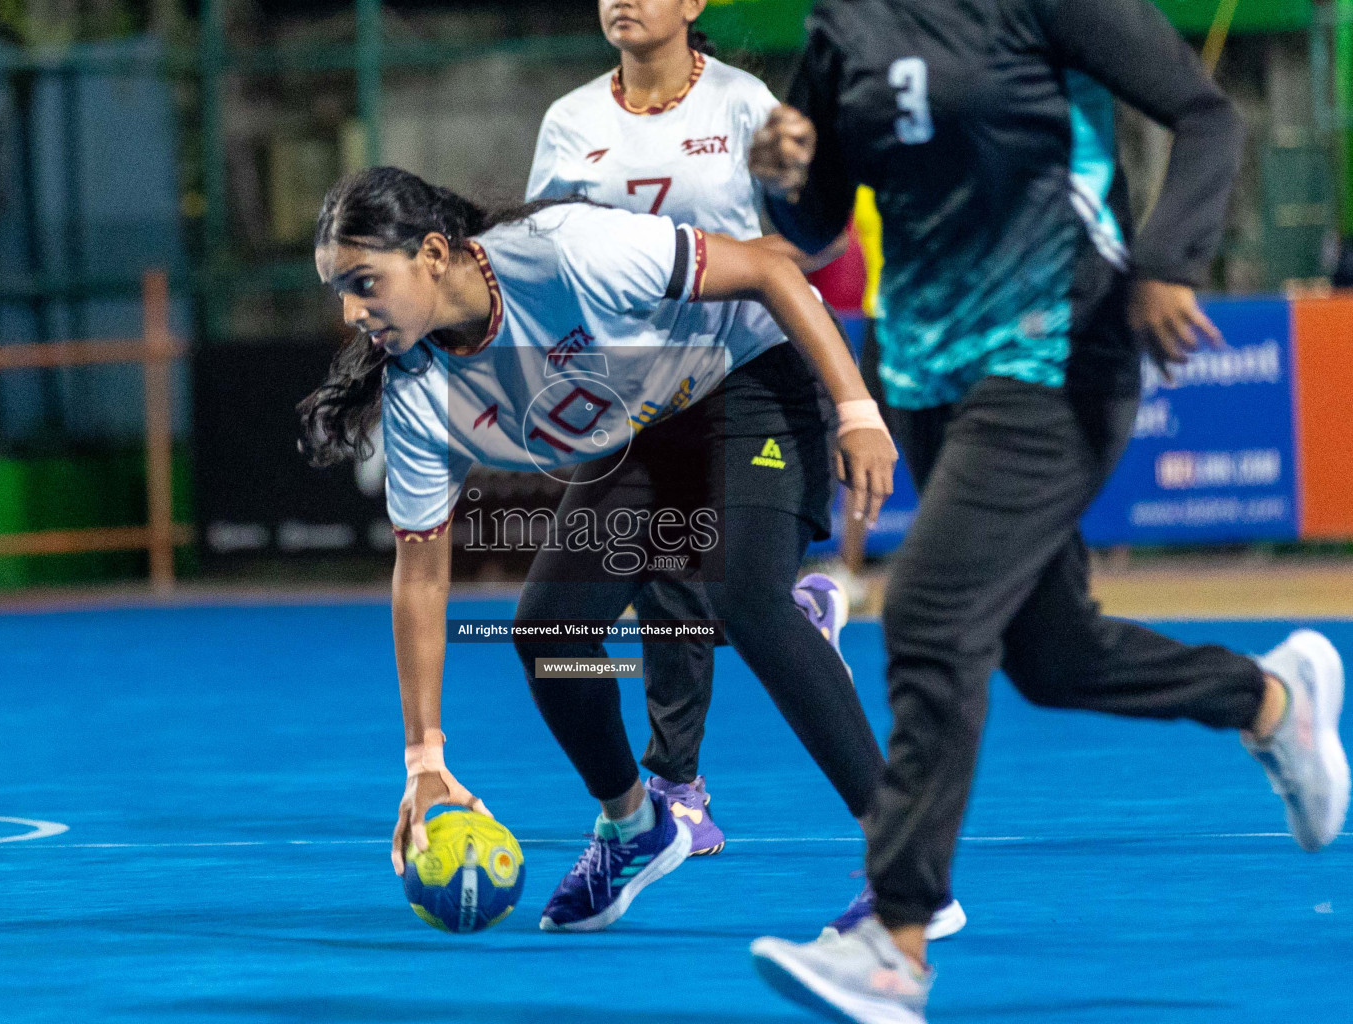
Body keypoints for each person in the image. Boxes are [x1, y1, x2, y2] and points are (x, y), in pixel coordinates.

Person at [743, 1, 1350, 1021]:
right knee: (1051, 653)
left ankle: (894, 943)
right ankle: (1268, 699)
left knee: (932, 618)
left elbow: (1207, 118)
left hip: (1059, 350)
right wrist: (786, 177)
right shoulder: (842, 25)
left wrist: (1166, 261)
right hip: (930, 374)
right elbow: (820, 221)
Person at [300, 166, 901, 933]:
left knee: (743, 597)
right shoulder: (416, 391)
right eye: (338, 291)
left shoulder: (563, 252)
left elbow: (770, 268)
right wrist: (426, 762)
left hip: (748, 374)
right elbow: (420, 576)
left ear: (433, 254)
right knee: (549, 631)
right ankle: (635, 824)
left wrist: (857, 410)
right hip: (645, 429)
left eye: (364, 281)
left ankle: (903, 858)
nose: (351, 312)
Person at [524, 0, 857, 859]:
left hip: (751, 377)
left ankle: (711, 757)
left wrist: (854, 403)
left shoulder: (747, 106)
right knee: (604, 604)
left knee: (726, 590)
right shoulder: (569, 123)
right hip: (634, 393)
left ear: (694, 4)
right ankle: (657, 798)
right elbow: (545, 262)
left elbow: (808, 244)